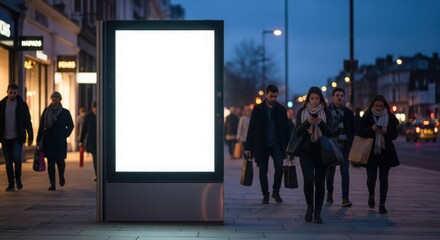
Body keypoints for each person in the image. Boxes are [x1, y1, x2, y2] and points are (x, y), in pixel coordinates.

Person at [294, 86, 333, 224]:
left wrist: (321, 123)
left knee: (320, 182)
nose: (315, 101)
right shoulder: (301, 112)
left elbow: (330, 133)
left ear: (321, 99)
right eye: (312, 98)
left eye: (317, 98)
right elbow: (297, 131)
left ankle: (318, 212)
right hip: (306, 151)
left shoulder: (326, 112)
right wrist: (307, 123)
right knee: (309, 180)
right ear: (308, 99)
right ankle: (309, 207)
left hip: (322, 151)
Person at [244, 84, 290, 204]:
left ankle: (276, 191)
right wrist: (248, 147)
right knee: (262, 171)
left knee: (280, 168)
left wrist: (289, 148)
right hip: (261, 145)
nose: (273, 99)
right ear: (266, 94)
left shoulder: (281, 110)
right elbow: (252, 128)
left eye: (275, 96)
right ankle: (265, 194)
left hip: (276, 144)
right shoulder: (258, 109)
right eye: (271, 96)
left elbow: (286, 130)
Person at [357, 95, 399, 214]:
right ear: (372, 106)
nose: (379, 108)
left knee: (384, 179)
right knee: (371, 179)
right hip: (370, 153)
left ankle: (382, 204)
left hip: (386, 153)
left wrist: (386, 132)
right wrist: (371, 129)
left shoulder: (390, 117)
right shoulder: (367, 116)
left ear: (385, 106)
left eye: (381, 106)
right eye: (376, 106)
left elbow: (395, 135)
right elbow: (359, 132)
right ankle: (371, 195)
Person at [36, 91, 74, 191]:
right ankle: (52, 184)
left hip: (60, 141)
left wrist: (65, 134)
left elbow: (71, 125)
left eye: (56, 97)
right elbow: (41, 126)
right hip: (49, 141)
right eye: (52, 97)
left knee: (61, 162)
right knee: (50, 163)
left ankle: (61, 176)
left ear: (60, 99)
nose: (54, 99)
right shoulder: (46, 111)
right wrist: (38, 140)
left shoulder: (65, 112)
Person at [325, 87, 355, 207]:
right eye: (337, 95)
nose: (339, 97)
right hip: (331, 146)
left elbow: (352, 129)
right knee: (330, 172)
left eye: (341, 95)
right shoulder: (326, 111)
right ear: (333, 97)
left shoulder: (348, 112)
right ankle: (330, 193)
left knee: (345, 172)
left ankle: (345, 198)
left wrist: (351, 142)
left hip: (344, 146)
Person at [0, 83, 33, 191]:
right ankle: (11, 183)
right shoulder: (2, 104)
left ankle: (18, 179)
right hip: (5, 138)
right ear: (7, 92)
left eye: (14, 93)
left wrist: (30, 137)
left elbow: (28, 121)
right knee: (8, 162)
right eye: (10, 93)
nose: (12, 95)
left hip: (17, 138)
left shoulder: (22, 105)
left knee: (17, 159)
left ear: (17, 93)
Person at [79, 101, 97, 180]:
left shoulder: (103, 115)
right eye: (94, 108)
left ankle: (100, 174)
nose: (96, 110)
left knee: (101, 159)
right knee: (95, 159)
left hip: (101, 143)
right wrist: (81, 141)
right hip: (92, 142)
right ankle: (97, 175)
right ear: (92, 108)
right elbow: (84, 129)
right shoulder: (88, 116)